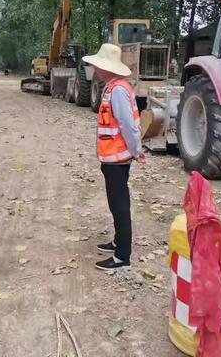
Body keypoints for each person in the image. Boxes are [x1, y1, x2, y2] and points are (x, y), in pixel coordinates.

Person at [82, 44, 143, 271]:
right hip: (111, 159)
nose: (95, 69)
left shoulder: (118, 90)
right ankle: (118, 242)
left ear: (108, 68)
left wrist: (136, 151)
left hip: (118, 159)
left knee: (119, 205)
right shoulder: (111, 87)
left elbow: (128, 124)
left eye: (99, 65)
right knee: (115, 203)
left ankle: (122, 256)